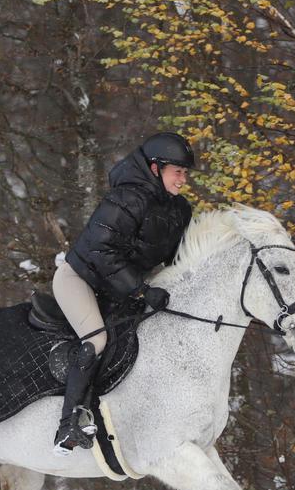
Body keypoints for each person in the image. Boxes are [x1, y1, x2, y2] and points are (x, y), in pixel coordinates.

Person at [51, 131, 196, 455]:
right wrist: (142, 291)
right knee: (97, 339)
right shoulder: (127, 199)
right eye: (178, 171)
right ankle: (69, 425)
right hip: (81, 279)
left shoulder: (179, 210)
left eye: (186, 173)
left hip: (121, 291)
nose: (183, 179)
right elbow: (102, 252)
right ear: (156, 169)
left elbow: (179, 258)